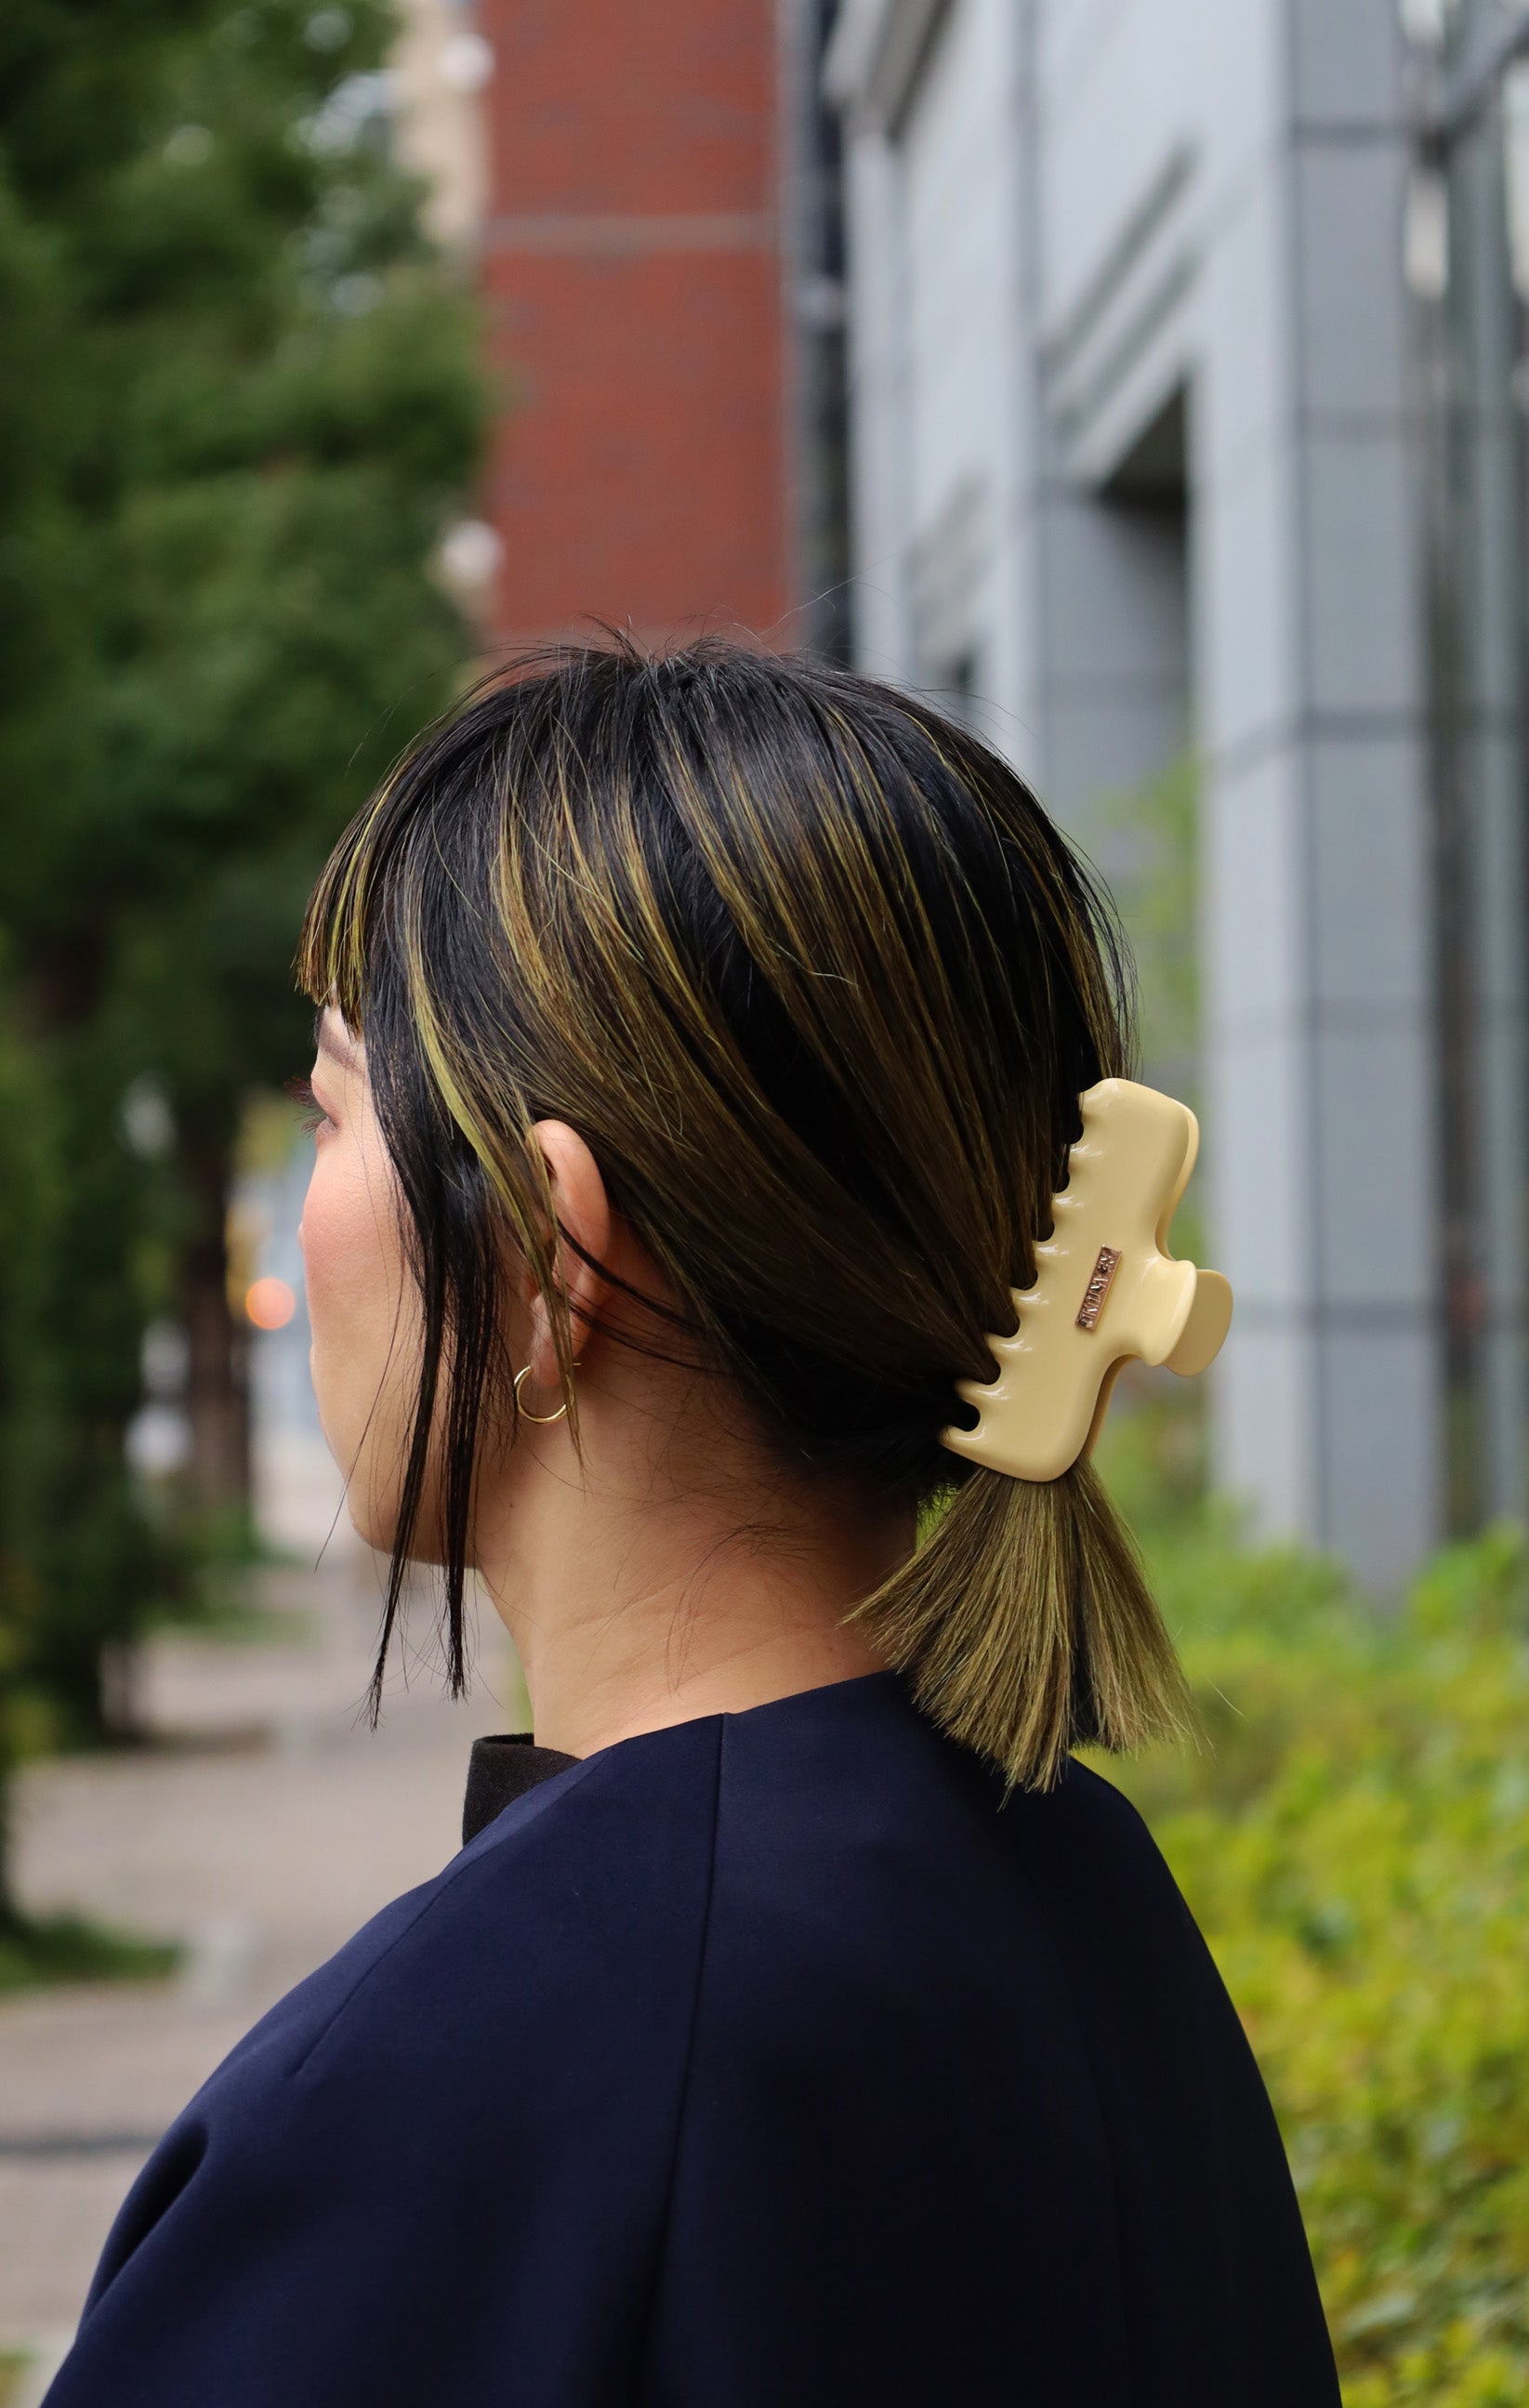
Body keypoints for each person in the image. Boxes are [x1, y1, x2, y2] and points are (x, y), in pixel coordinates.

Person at [46, 641, 1339, 2405]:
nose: (305, 1215)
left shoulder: (450, 2087)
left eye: (334, 1109)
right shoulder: (1078, 1885)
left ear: (542, 1250)